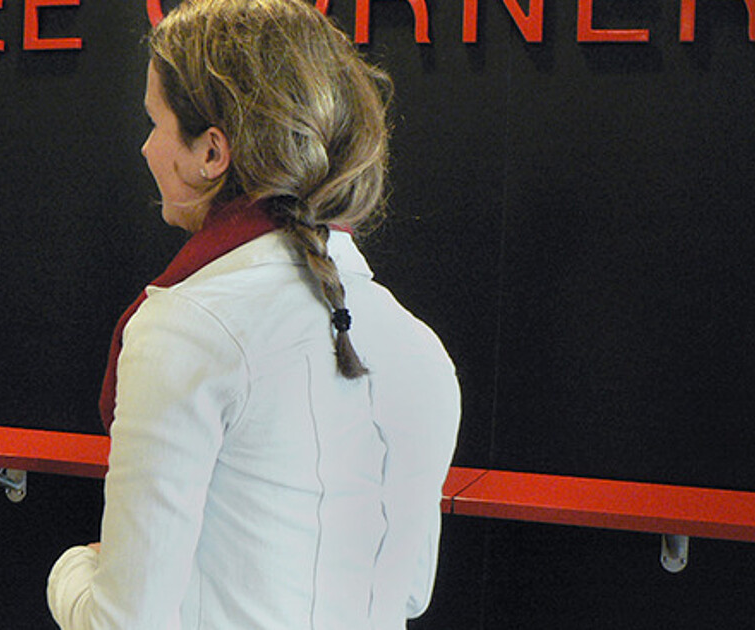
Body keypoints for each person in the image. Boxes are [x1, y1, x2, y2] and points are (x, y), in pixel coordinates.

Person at [46, 0, 461, 627]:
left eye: (154, 123)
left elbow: (124, 622)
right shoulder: (419, 346)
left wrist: (73, 569)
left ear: (212, 152)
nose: (145, 148)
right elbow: (406, 592)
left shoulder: (185, 329)